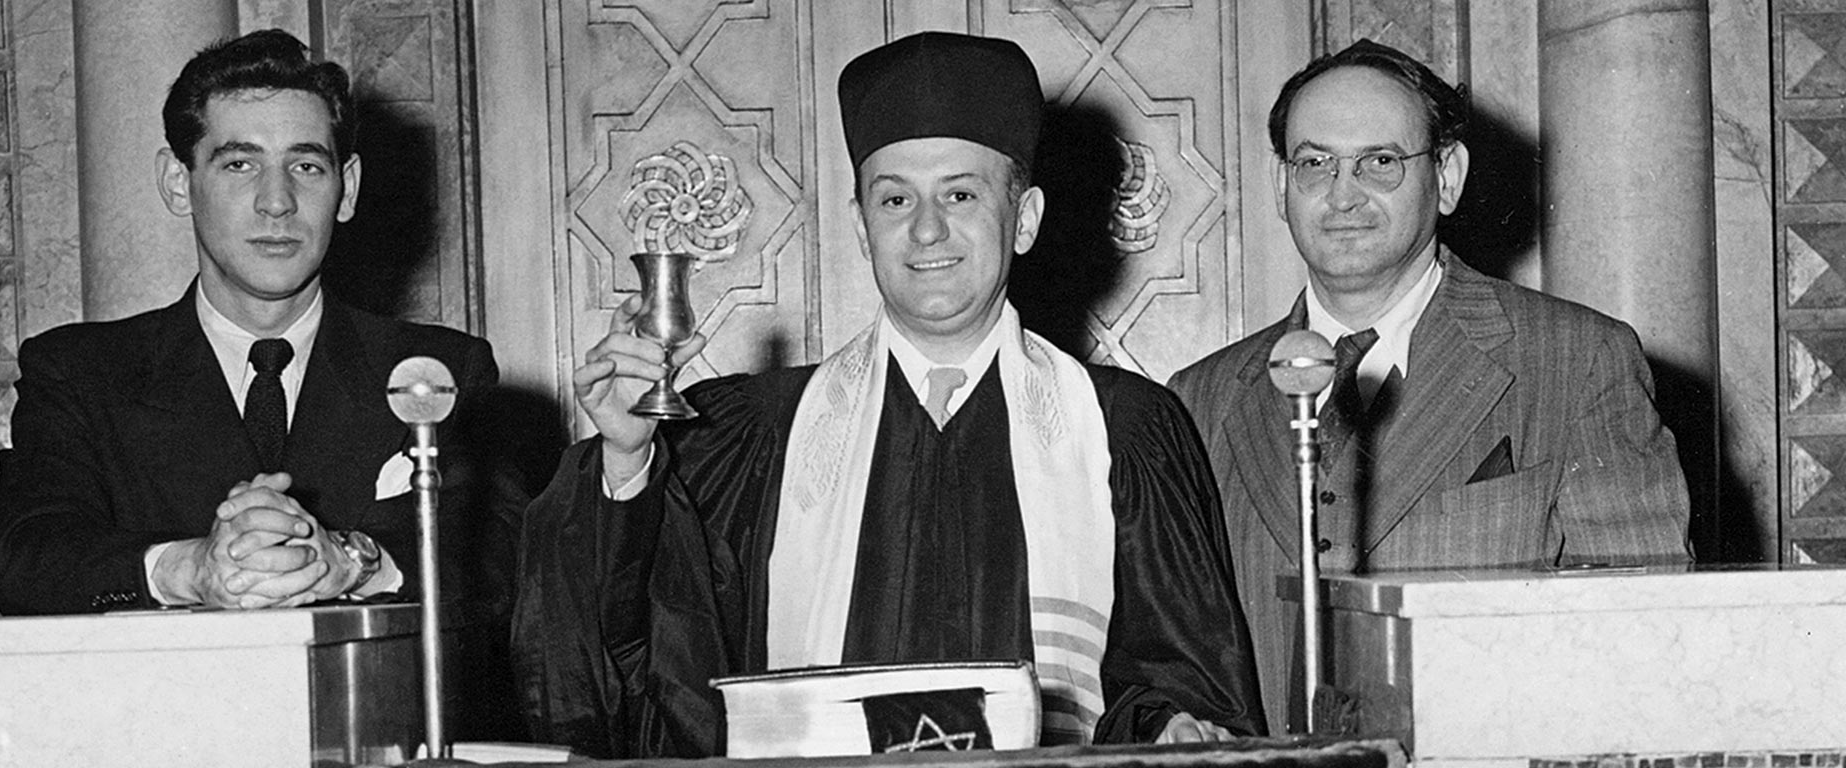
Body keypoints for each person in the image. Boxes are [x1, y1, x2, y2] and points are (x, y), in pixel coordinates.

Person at [512, 31, 1263, 756]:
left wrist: (1171, 725)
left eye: (961, 195)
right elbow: (640, 669)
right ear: (863, 228)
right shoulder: (750, 436)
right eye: (896, 201)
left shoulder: (1124, 430)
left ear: (1025, 219)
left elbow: (1185, 682)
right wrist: (624, 460)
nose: (927, 231)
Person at [1166, 39, 1692, 734]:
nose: (1343, 193)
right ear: (1279, 185)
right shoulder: (1199, 399)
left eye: (1380, 162)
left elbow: (1646, 643)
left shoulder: (1578, 361)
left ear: (1447, 176)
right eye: (1314, 163)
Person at [0, 29, 499, 616]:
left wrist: (351, 561)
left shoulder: (437, 371)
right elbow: (26, 553)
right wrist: (190, 568)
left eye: (305, 164)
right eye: (239, 164)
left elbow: (497, 555)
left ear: (346, 189)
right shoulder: (81, 372)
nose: (275, 201)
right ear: (180, 184)